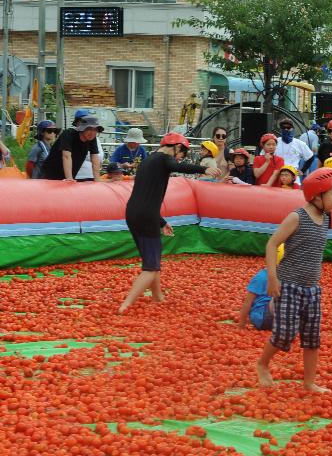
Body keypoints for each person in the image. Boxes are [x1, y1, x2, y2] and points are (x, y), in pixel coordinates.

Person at [256, 167, 332, 392]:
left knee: (312, 338)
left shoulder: (325, 218)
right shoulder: (297, 217)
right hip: (289, 286)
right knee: (285, 334)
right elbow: (272, 244)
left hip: (312, 289)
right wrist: (273, 279)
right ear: (316, 195)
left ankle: (309, 382)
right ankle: (262, 363)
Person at [118, 133, 221, 313]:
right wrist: (203, 169)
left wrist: (161, 222)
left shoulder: (148, 160)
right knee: (151, 267)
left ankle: (157, 297)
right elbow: (178, 166)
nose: (180, 157)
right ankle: (126, 304)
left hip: (133, 213)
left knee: (152, 260)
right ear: (176, 147)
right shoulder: (165, 159)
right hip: (147, 216)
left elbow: (146, 196)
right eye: (182, 152)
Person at [40, 115, 103, 182]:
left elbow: (95, 158)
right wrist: (69, 178)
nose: (92, 133)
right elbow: (66, 156)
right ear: (82, 129)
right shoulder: (68, 134)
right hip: (50, 174)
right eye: (89, 129)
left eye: (95, 130)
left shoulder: (92, 139)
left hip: (68, 175)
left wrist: (97, 179)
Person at [239, 245, 284, 330]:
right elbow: (248, 302)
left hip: (278, 320)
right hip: (263, 318)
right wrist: (241, 325)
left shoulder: (286, 277)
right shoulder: (261, 277)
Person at [274, 118, 313, 184]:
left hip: (293, 178)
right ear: (281, 129)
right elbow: (263, 155)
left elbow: (310, 157)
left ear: (292, 128)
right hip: (277, 177)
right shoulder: (274, 142)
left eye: (288, 127)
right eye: (283, 127)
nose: (286, 129)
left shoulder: (299, 143)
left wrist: (303, 171)